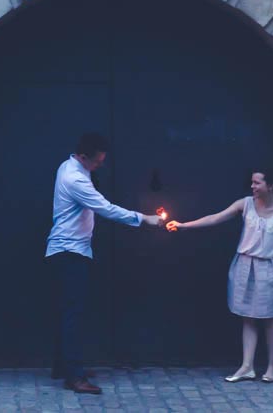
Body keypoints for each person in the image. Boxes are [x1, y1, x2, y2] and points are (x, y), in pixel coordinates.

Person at [46, 132, 162, 394]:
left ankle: (63, 367)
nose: (100, 165)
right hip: (69, 252)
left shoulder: (69, 166)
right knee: (72, 315)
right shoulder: (75, 178)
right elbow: (106, 208)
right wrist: (145, 218)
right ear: (83, 157)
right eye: (97, 161)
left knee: (67, 312)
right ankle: (74, 376)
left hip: (67, 251)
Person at [166, 169, 273, 383]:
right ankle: (247, 366)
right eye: (252, 182)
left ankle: (272, 367)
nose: (252, 186)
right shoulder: (245, 204)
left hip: (269, 267)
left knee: (269, 318)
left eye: (257, 183)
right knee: (248, 317)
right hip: (244, 264)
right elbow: (215, 218)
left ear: (270, 185)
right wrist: (183, 226)